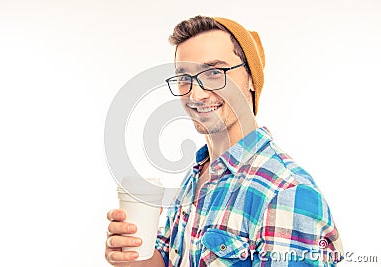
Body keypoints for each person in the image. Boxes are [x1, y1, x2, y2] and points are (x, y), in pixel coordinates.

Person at [105, 15, 344, 266]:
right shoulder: (197, 174)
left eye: (214, 73)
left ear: (251, 77)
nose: (195, 94)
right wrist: (133, 256)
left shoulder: (286, 193)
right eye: (184, 78)